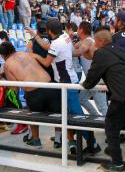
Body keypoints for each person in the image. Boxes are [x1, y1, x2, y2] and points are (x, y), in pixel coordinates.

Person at [82, 29, 125, 172]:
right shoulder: (121, 50)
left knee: (111, 129)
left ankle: (118, 164)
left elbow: (90, 80)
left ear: (100, 41)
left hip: (122, 98)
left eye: (95, 42)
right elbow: (118, 72)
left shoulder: (101, 53)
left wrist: (85, 84)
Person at [30, 19, 99, 152]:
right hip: (68, 81)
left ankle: (93, 144)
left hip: (66, 83)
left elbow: (46, 62)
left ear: (49, 32)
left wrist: (34, 56)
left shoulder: (56, 43)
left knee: (78, 117)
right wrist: (35, 36)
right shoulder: (65, 36)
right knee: (68, 115)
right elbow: (49, 47)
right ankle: (73, 142)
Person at [0, 41, 61, 148]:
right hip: (50, 85)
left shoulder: (7, 64)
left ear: (2, 55)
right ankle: (58, 140)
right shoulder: (26, 54)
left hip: (33, 91)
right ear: (14, 48)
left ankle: (36, 139)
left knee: (33, 116)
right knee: (57, 115)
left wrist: (1, 79)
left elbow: (14, 87)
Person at [73, 21, 108, 116]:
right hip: (90, 79)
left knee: (103, 108)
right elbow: (74, 47)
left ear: (81, 30)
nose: (76, 31)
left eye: (78, 29)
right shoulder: (85, 41)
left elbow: (78, 52)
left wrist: (61, 52)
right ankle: (97, 118)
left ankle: (111, 128)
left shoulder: (88, 42)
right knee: (81, 99)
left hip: (97, 80)